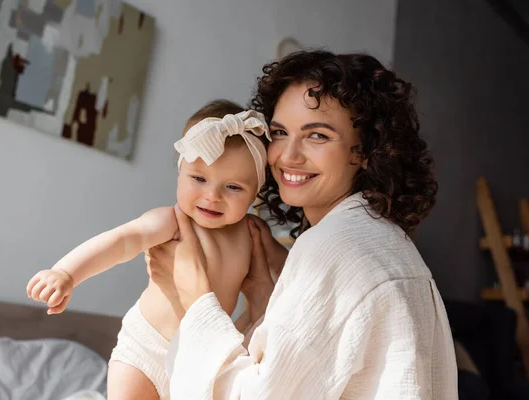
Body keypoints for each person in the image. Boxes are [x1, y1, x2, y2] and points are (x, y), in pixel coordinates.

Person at [147, 50, 458, 399]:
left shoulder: (336, 248)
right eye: (279, 132)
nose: (288, 155)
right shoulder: (384, 242)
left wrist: (196, 301)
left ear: (365, 151)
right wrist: (264, 300)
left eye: (317, 136)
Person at [25, 100, 273, 400]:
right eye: (199, 178)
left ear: (255, 191)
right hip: (145, 350)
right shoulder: (172, 222)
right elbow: (121, 241)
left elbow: (293, 270)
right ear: (180, 172)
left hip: (202, 360)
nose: (212, 196)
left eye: (233, 187)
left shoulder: (253, 233)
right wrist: (65, 272)